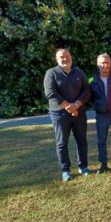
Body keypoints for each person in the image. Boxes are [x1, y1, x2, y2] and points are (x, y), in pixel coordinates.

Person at [44, 49, 91, 181]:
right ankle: (65, 170)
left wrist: (76, 105)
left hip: (79, 112)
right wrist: (69, 107)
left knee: (81, 140)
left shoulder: (79, 72)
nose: (64, 59)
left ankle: (84, 166)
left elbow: (87, 91)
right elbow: (50, 92)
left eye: (67, 56)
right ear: (56, 59)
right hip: (59, 114)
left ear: (71, 57)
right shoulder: (51, 73)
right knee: (61, 143)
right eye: (61, 57)